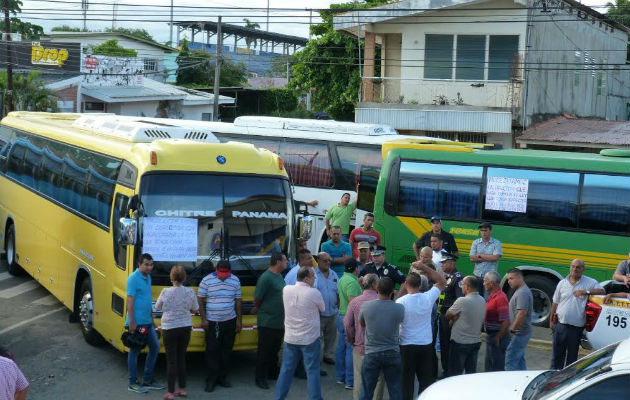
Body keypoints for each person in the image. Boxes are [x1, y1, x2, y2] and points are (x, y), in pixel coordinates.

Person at [396, 263, 446, 400]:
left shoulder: (400, 301)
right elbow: (442, 281)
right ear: (421, 285)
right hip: (425, 345)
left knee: (406, 381)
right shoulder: (428, 297)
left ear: (406, 284)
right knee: (425, 381)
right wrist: (425, 267)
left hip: (406, 345)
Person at [274, 267, 325, 400]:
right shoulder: (314, 293)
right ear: (306, 278)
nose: (315, 278)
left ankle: (279, 397)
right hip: (310, 339)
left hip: (291, 338)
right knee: (313, 371)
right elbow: (323, 309)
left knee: (286, 370)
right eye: (313, 276)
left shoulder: (286, 289)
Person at [550, 259, 604, 369]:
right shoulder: (562, 283)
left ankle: (568, 381)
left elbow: (602, 291)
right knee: (556, 357)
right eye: (573, 266)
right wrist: (551, 321)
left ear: (583, 269)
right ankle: (553, 380)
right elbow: (555, 302)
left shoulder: (589, 282)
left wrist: (586, 292)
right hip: (560, 325)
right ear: (570, 267)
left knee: (572, 360)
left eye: (578, 267)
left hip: (576, 328)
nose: (575, 269)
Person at [154, 266, 199, 399]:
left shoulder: (165, 292)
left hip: (169, 327)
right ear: (184, 278)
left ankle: (171, 392)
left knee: (171, 361)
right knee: (181, 358)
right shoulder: (190, 292)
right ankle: (183, 389)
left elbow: (157, 307)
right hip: (185, 327)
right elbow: (195, 309)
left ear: (171, 278)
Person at [198, 260, 242, 392]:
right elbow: (200, 299)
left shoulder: (235, 280)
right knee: (212, 351)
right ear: (216, 270)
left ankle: (222, 378)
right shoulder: (206, 280)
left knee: (226, 351)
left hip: (230, 321)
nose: (223, 276)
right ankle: (211, 380)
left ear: (230, 272)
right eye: (220, 273)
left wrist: (239, 321)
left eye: (226, 274)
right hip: (213, 322)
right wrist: (204, 319)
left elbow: (238, 301)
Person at [359, 277, 405, 400]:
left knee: (366, 391)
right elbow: (400, 321)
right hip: (392, 352)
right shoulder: (399, 308)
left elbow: (362, 324)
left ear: (377, 289)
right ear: (392, 292)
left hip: (372, 352)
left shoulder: (366, 306)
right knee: (395, 390)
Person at [126, 253, 163, 394]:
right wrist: (132, 322)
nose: (149, 267)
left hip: (147, 322)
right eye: (146, 264)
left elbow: (147, 301)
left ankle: (148, 379)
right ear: (139, 264)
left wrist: (152, 320)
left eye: (151, 264)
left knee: (155, 347)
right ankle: (132, 382)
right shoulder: (133, 279)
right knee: (135, 351)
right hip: (137, 323)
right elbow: (130, 302)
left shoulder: (148, 277)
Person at [344, 274, 385, 400]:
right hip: (378, 348)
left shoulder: (355, 302)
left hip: (360, 346)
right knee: (378, 380)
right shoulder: (383, 302)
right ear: (374, 285)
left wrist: (352, 339)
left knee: (359, 378)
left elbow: (347, 324)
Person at [253, 252, 288, 390]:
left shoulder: (279, 276)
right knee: (264, 351)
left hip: (279, 321)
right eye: (285, 260)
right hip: (267, 321)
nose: (286, 263)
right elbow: (257, 299)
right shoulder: (265, 278)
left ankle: (273, 373)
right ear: (278, 262)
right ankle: (260, 377)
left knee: (274, 350)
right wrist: (261, 308)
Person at [445, 276, 486, 376]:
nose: (461, 287)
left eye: (462, 284)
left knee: (455, 373)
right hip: (475, 342)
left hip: (460, 342)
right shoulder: (482, 300)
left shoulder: (462, 301)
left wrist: (454, 318)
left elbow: (447, 315)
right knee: (470, 374)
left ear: (467, 287)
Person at [336, 258, 363, 390]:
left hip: (341, 315)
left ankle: (340, 377)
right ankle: (350, 380)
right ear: (355, 269)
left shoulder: (342, 279)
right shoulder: (352, 283)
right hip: (349, 318)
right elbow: (354, 305)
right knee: (350, 350)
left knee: (341, 348)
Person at [437, 252, 463, 377]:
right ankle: (446, 369)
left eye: (444, 262)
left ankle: (450, 372)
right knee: (443, 344)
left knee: (449, 345)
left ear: (452, 263)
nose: (441, 265)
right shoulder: (447, 276)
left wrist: (453, 318)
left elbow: (459, 300)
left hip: (449, 317)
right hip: (442, 314)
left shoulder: (457, 278)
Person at [505, 268, 533, 371]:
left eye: (511, 278)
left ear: (520, 278)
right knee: (519, 360)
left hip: (519, 333)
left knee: (510, 361)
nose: (508, 281)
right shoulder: (521, 291)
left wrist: (512, 330)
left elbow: (522, 313)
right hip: (521, 332)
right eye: (508, 279)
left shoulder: (522, 293)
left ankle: (510, 384)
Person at [314, 252, 339, 364]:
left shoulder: (334, 274)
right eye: (325, 260)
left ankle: (328, 355)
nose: (328, 263)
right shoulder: (313, 275)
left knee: (331, 337)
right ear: (318, 260)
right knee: (317, 339)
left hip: (332, 312)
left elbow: (338, 293)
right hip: (318, 314)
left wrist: (337, 307)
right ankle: (316, 359)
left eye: (329, 260)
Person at [483, 270, 510, 372]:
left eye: (485, 281)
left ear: (492, 283)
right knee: (489, 365)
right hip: (492, 336)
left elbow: (506, 321)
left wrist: (498, 337)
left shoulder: (500, 298)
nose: (483, 283)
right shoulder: (492, 295)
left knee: (496, 367)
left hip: (497, 337)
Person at [469, 222, 502, 298]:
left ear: (490, 231)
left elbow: (495, 258)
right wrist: (489, 257)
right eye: (482, 230)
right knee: (476, 298)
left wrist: (480, 255)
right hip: (477, 276)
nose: (483, 233)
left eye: (485, 230)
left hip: (490, 278)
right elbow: (472, 258)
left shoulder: (496, 243)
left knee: (487, 299)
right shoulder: (476, 242)